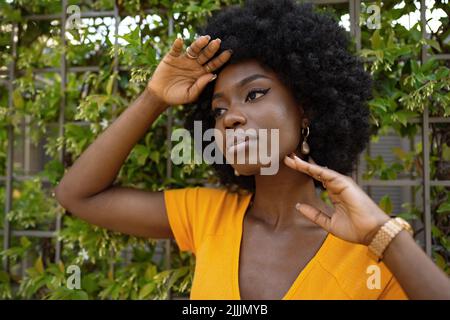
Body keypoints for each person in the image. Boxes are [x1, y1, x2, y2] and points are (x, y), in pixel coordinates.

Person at [54, 0, 450, 299]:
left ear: (307, 107)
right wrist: (153, 99)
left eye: (255, 94)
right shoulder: (206, 215)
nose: (231, 119)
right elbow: (77, 194)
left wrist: (385, 235)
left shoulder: (370, 250)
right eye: (219, 110)